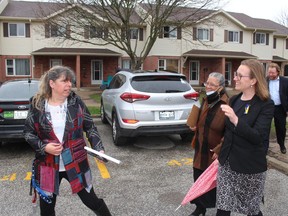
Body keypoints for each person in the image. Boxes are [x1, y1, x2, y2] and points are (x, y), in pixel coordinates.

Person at [23, 66, 112, 216]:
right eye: (64, 81)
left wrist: (98, 148)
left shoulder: (75, 102)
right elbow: (28, 133)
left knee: (91, 200)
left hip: (76, 162)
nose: (69, 85)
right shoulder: (37, 105)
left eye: (70, 81)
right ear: (52, 83)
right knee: (47, 209)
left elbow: (90, 127)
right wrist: (44, 147)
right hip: (48, 164)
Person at [216, 59, 274, 216]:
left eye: (240, 76)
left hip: (250, 167)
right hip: (227, 165)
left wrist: (236, 120)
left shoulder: (265, 104)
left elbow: (257, 137)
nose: (235, 78)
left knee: (252, 210)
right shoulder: (234, 100)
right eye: (236, 74)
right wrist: (219, 152)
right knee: (222, 207)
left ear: (253, 81)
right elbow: (227, 132)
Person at [189, 72, 229, 216]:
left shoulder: (226, 104)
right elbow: (202, 120)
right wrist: (195, 126)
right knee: (198, 179)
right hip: (201, 149)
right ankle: (200, 208)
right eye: (207, 83)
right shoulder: (206, 99)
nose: (208, 87)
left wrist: (219, 149)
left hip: (215, 153)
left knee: (215, 184)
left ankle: (222, 211)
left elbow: (229, 132)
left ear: (221, 87)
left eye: (213, 84)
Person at [267, 62, 288, 154]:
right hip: (267, 108)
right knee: (265, 127)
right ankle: (265, 146)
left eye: (273, 73)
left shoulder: (285, 81)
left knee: (281, 128)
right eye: (269, 72)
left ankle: (282, 145)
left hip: (280, 108)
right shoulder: (265, 80)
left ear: (278, 72)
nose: (270, 75)